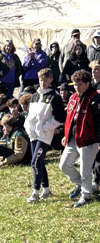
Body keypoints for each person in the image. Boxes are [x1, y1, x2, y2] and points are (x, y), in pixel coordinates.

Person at [22, 68, 65, 203]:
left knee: (35, 162)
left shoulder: (54, 97)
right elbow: (30, 116)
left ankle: (35, 192)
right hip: (33, 134)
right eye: (41, 80)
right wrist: (28, 126)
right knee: (39, 162)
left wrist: (44, 127)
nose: (43, 83)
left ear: (51, 80)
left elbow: (59, 118)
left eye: (46, 80)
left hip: (44, 135)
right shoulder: (34, 96)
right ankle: (45, 189)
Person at [59, 70, 100, 208]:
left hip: (89, 140)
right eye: (75, 84)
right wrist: (66, 135)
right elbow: (69, 118)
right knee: (64, 165)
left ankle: (86, 195)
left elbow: (98, 121)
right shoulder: (73, 98)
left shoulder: (95, 98)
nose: (76, 87)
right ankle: (80, 185)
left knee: (85, 170)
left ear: (88, 83)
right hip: (73, 139)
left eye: (80, 84)